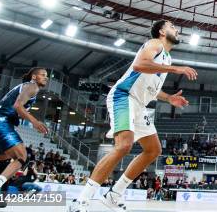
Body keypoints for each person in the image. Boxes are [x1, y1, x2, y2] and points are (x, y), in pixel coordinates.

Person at [68, 20, 197, 212]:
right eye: (171, 26)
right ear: (161, 31)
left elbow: (150, 88)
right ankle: (81, 201)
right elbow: (139, 65)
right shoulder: (155, 44)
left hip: (139, 104)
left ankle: (114, 194)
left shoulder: (166, 57)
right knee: (124, 145)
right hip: (124, 96)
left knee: (153, 150)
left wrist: (169, 98)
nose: (176, 30)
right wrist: (176, 69)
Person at [0, 67, 49, 207]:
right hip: (1, 121)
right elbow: (18, 106)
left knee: (1, 159)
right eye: (43, 75)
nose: (46, 78)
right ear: (34, 77)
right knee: (22, 157)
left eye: (47, 76)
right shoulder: (32, 86)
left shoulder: (24, 87)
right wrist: (35, 122)